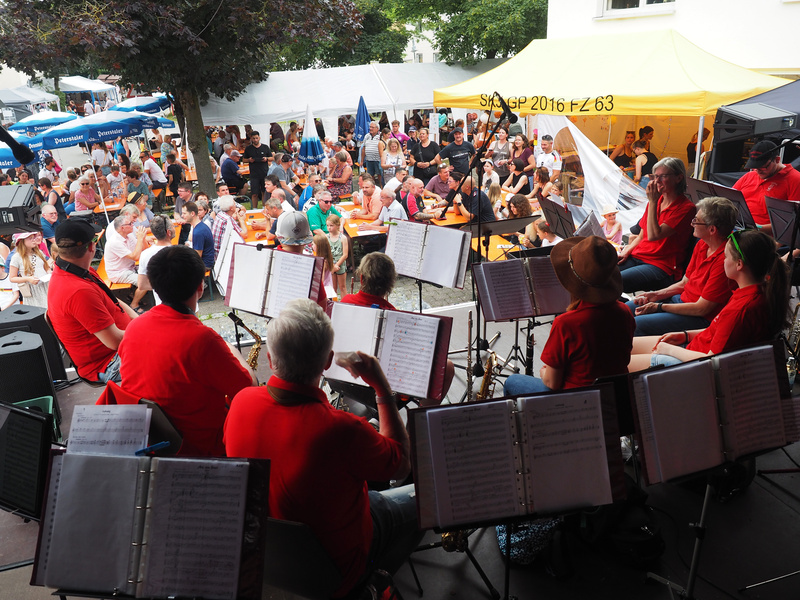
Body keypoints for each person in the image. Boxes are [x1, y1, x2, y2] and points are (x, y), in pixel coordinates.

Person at [224, 298, 421, 597]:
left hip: (268, 557)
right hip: (336, 569)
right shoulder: (341, 428)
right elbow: (402, 463)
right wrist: (382, 387)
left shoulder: (241, 402)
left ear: (271, 360)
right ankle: (371, 582)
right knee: (423, 499)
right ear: (327, 361)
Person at [120, 245, 256, 456]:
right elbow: (247, 388)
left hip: (153, 442)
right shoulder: (203, 338)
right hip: (199, 447)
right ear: (200, 287)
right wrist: (234, 353)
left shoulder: (135, 327)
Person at [629, 229, 790, 371]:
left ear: (739, 264)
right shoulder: (755, 292)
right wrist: (685, 335)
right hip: (694, 349)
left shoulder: (742, 308)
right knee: (622, 345)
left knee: (619, 361)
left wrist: (668, 349)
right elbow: (719, 331)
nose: (723, 261)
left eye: (726, 256)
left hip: (694, 363)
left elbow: (713, 362)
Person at [504, 236, 635, 395]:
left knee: (513, 381)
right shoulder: (624, 311)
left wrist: (543, 372)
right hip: (615, 394)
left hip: (577, 400)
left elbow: (552, 382)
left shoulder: (566, 323)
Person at [626, 196, 737, 337]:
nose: (692, 224)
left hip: (699, 317)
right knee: (626, 310)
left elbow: (702, 309)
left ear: (712, 230)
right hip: (681, 300)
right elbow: (685, 282)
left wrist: (659, 306)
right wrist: (655, 295)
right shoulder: (703, 244)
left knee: (637, 324)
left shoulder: (724, 260)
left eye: (696, 221)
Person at [48, 218, 137, 383]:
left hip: (120, 345)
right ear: (91, 247)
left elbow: (112, 299)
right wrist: (146, 331)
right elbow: (115, 341)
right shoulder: (78, 291)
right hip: (108, 362)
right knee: (170, 355)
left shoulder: (77, 269)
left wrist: (137, 320)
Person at [618, 157, 696, 293]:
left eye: (663, 176)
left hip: (662, 266)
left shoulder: (686, 208)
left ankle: (620, 310)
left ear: (679, 178)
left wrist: (652, 202)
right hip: (639, 256)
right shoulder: (656, 201)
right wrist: (626, 251)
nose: (656, 181)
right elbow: (642, 236)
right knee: (600, 274)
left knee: (614, 281)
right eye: (655, 176)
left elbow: (655, 236)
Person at [733, 140, 800, 235]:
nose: (757, 171)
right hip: (739, 229)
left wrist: (757, 228)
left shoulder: (795, 180)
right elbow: (729, 201)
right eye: (754, 167)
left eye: (762, 167)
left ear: (777, 160)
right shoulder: (750, 176)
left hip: (763, 238)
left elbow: (793, 222)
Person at [105, 214, 149, 313]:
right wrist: (140, 239)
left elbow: (144, 249)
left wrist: (143, 238)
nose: (133, 225)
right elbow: (136, 256)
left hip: (130, 267)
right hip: (118, 272)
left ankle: (133, 295)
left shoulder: (128, 235)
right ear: (122, 228)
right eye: (130, 223)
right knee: (146, 282)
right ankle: (134, 305)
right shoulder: (114, 242)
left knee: (152, 270)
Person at [136, 215, 175, 306]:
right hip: (186, 304)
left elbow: (141, 285)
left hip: (163, 304)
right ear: (168, 232)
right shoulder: (181, 252)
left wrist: (160, 287)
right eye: (173, 226)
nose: (174, 228)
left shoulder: (145, 254)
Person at [8, 232, 50, 308]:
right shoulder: (16, 257)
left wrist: (50, 274)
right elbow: (12, 278)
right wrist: (28, 279)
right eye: (30, 238)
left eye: (34, 237)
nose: (34, 240)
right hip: (32, 291)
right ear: (22, 241)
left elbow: (46, 268)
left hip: (46, 287)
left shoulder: (39, 253)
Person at [183, 201, 215, 270]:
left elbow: (197, 257)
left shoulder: (198, 232)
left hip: (204, 265)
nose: (182, 216)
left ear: (192, 213)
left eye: (184, 213)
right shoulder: (199, 226)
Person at [326, 214, 348, 298]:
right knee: (333, 288)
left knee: (342, 287)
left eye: (332, 225)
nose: (329, 228)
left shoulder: (343, 238)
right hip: (331, 265)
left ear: (338, 225)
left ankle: (344, 304)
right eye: (327, 225)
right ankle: (333, 305)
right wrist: (331, 266)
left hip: (340, 265)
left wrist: (337, 265)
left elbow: (345, 254)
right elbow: (326, 253)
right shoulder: (326, 237)